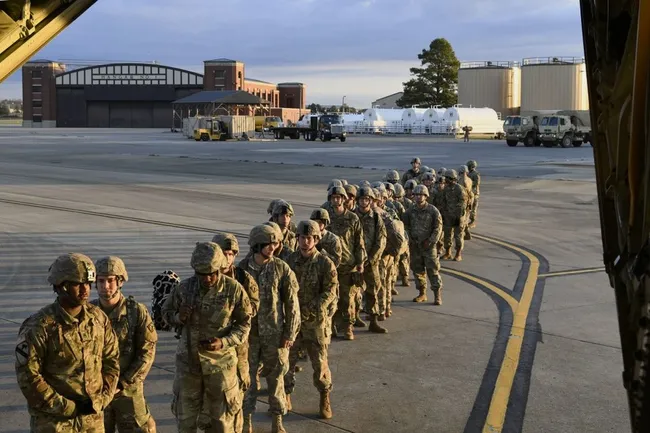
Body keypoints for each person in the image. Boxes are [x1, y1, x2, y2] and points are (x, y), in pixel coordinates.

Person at [15, 253, 120, 432]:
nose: (85, 289)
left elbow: (111, 360)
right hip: (55, 422)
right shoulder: (39, 327)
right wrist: (67, 407)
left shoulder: (98, 319)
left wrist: (103, 398)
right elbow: (28, 378)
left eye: (87, 283)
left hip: (92, 420)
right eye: (78, 284)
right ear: (62, 286)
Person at [162, 242, 252, 433]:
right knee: (185, 421)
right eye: (202, 274)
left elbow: (244, 325)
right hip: (189, 366)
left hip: (221, 366)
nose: (208, 278)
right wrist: (179, 317)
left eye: (212, 273)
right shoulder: (185, 288)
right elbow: (165, 313)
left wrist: (224, 342)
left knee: (223, 422)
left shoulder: (233, 290)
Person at [238, 225, 300, 433]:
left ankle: (277, 421)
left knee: (276, 381)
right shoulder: (241, 270)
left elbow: (292, 304)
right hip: (249, 337)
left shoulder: (281, 269)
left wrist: (289, 333)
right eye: (268, 244)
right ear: (257, 245)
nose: (273, 247)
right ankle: (246, 422)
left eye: (275, 243)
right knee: (247, 382)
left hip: (275, 335)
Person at [91, 256, 158, 433]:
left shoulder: (136, 312)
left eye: (111, 281)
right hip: (97, 393)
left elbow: (147, 353)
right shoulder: (89, 313)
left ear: (120, 282)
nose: (106, 286)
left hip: (128, 393)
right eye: (101, 281)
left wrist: (123, 383)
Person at [285, 221, 338, 419]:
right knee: (287, 362)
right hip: (293, 322)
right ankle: (286, 394)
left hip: (316, 323)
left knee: (320, 364)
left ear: (316, 239)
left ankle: (324, 396)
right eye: (302, 238)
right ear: (297, 238)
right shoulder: (289, 261)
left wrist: (311, 308)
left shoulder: (325, 263)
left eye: (310, 238)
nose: (305, 242)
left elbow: (330, 291)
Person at [211, 233, 260, 433]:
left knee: (238, 390)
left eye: (232, 254)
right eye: (224, 253)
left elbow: (254, 306)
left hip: (236, 346)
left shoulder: (242, 278)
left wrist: (234, 313)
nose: (228, 258)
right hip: (211, 350)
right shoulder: (205, 278)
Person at [326, 185, 366, 340]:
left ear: (344, 199)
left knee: (347, 299)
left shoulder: (352, 218)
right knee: (330, 297)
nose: (336, 200)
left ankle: (348, 327)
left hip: (347, 265)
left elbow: (359, 242)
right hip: (329, 265)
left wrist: (360, 262)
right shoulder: (325, 217)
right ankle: (332, 326)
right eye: (333, 197)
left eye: (339, 197)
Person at [403, 185, 444, 305]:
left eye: (421, 195)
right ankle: (422, 293)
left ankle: (437, 295)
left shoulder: (433, 210)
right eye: (416, 195)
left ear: (426, 196)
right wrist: (410, 239)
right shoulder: (410, 211)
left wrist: (431, 241)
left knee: (433, 271)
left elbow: (438, 227)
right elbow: (405, 226)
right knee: (417, 270)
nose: (418, 197)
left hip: (429, 246)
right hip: (415, 245)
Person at [355, 186, 388, 333]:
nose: (364, 202)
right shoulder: (351, 217)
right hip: (354, 262)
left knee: (373, 291)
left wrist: (371, 258)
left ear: (371, 201)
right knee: (352, 292)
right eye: (361, 199)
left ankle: (373, 320)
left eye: (367, 199)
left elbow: (381, 240)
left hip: (371, 262)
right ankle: (352, 318)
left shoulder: (376, 218)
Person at [441, 169, 469, 262]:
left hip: (458, 216)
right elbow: (444, 201)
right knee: (447, 235)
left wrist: (457, 214)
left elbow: (463, 203)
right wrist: (445, 212)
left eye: (447, 178)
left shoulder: (459, 189)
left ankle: (458, 254)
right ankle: (448, 252)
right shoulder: (446, 189)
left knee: (458, 236)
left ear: (451, 178)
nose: (445, 180)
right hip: (448, 215)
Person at [467, 160, 481, 228]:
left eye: (469, 166)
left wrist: (469, 183)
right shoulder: (468, 173)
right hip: (469, 192)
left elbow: (476, 183)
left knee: (473, 208)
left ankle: (473, 221)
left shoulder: (475, 174)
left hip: (474, 192)